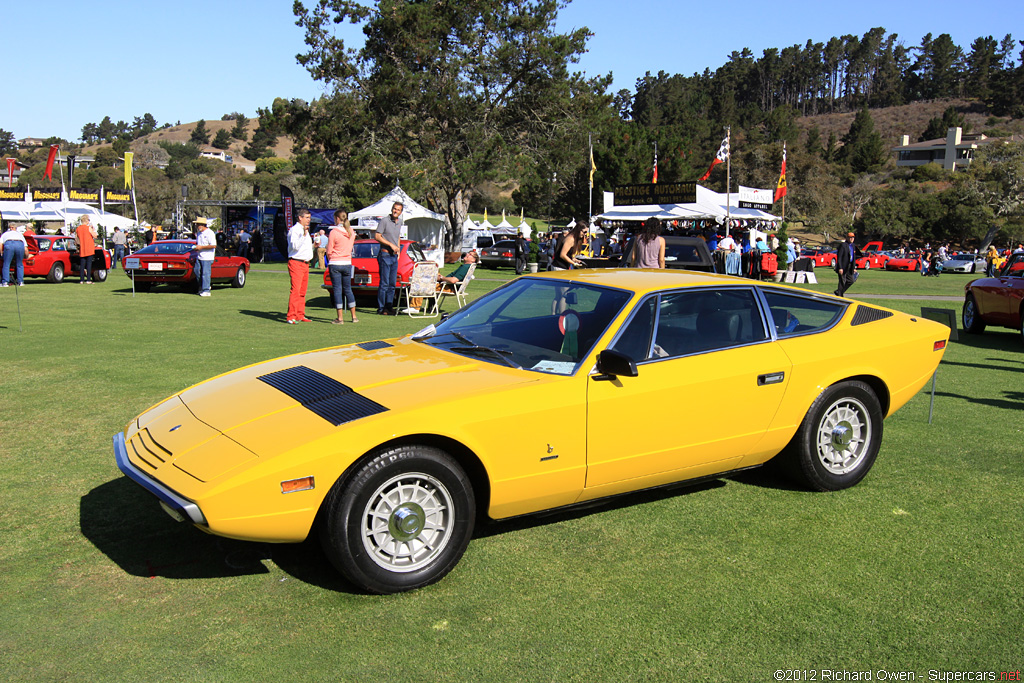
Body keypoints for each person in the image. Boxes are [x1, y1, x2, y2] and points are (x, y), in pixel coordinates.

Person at [326, 209, 358, 324]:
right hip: (347, 262)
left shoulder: (334, 232)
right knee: (348, 289)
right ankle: (354, 316)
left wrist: (330, 258)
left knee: (338, 290)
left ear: (337, 219)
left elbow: (329, 250)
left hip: (335, 262)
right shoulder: (351, 231)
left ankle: (340, 318)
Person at [375, 202, 403, 315]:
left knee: (392, 284)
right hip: (385, 254)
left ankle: (389, 306)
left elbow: (398, 237)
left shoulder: (400, 222)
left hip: (394, 256)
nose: (395, 211)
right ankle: (381, 308)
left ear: (401, 212)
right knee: (384, 283)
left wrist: (398, 249)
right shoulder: (384, 221)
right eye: (394, 209)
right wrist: (390, 245)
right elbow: (377, 236)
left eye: (398, 210)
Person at [286, 209, 314, 323]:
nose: (308, 220)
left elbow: (304, 248)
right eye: (306, 218)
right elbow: (295, 246)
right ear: (300, 218)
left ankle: (300, 314)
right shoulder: (295, 230)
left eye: (309, 218)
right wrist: (303, 235)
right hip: (296, 262)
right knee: (296, 290)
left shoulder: (305, 231)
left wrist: (314, 245)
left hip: (305, 263)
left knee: (302, 291)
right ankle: (291, 316)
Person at [192, 217, 216, 296]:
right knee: (196, 271)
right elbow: (198, 243)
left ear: (202, 225)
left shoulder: (210, 233)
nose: (197, 226)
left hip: (208, 257)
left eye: (198, 225)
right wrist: (196, 248)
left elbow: (213, 245)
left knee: (205, 273)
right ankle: (203, 286)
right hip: (199, 256)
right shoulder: (198, 233)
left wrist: (201, 247)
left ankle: (206, 290)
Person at [76, 216, 98, 284]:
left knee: (82, 265)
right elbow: (95, 236)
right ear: (86, 221)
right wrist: (93, 230)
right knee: (89, 264)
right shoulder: (88, 228)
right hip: (89, 248)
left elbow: (76, 238)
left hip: (82, 248)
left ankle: (81, 279)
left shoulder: (78, 228)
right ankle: (88, 279)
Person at [835, 231, 857, 297]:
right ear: (847, 238)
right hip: (843, 266)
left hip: (850, 266)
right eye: (850, 237)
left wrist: (854, 267)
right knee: (842, 281)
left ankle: (839, 292)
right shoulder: (843, 245)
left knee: (851, 280)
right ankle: (840, 295)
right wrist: (840, 267)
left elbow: (854, 257)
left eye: (853, 237)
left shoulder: (853, 246)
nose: (852, 239)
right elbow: (839, 257)